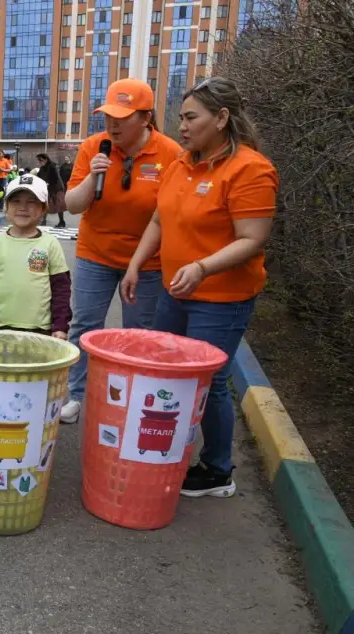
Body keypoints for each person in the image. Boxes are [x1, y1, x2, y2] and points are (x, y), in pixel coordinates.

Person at [120, 77, 278, 498]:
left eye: (191, 117)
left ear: (222, 118)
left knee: (209, 380)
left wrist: (203, 267)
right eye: (181, 118)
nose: (183, 127)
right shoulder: (182, 163)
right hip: (177, 291)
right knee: (172, 376)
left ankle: (217, 469)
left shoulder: (250, 169)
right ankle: (168, 449)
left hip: (221, 299)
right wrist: (135, 264)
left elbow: (252, 238)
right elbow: (159, 219)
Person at [60, 78, 183, 424]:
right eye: (108, 115)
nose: (112, 124)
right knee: (85, 325)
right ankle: (77, 393)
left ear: (145, 118)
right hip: (95, 254)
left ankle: (130, 396)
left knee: (138, 332)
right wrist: (91, 177)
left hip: (147, 262)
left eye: (122, 116)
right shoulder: (93, 148)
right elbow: (72, 205)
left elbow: (169, 215)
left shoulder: (170, 153)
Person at [0, 175, 72, 336]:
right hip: (0, 328)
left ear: (43, 208)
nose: (23, 208)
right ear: (6, 206)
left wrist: (60, 325)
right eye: (16, 201)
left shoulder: (50, 244)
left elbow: (61, 288)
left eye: (31, 202)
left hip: (41, 330)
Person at [35, 153, 66, 228]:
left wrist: (48, 183)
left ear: (46, 159)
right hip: (47, 188)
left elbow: (55, 177)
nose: (39, 162)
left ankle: (61, 222)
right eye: (39, 161)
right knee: (45, 203)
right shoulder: (42, 168)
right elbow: (38, 177)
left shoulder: (52, 166)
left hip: (56, 188)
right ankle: (44, 221)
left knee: (59, 205)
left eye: (41, 160)